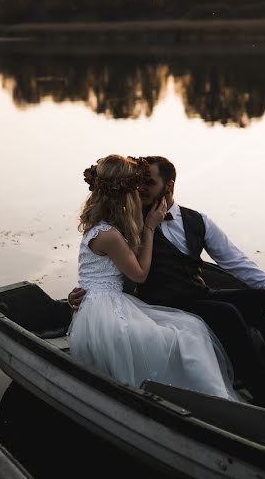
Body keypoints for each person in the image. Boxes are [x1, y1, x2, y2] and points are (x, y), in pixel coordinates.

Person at [70, 155, 265, 415]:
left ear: (169, 186)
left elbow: (235, 261)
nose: (140, 189)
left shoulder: (196, 220)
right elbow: (107, 265)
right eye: (138, 183)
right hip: (159, 303)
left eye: (148, 183)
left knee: (262, 301)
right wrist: (86, 293)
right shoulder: (128, 222)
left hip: (197, 294)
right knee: (227, 315)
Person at [66, 154, 242, 402]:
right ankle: (208, 401)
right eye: (134, 186)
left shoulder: (101, 227)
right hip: (105, 315)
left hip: (99, 307)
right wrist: (149, 228)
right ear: (124, 192)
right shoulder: (109, 234)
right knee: (188, 336)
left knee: (191, 327)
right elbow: (139, 274)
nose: (139, 191)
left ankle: (205, 398)